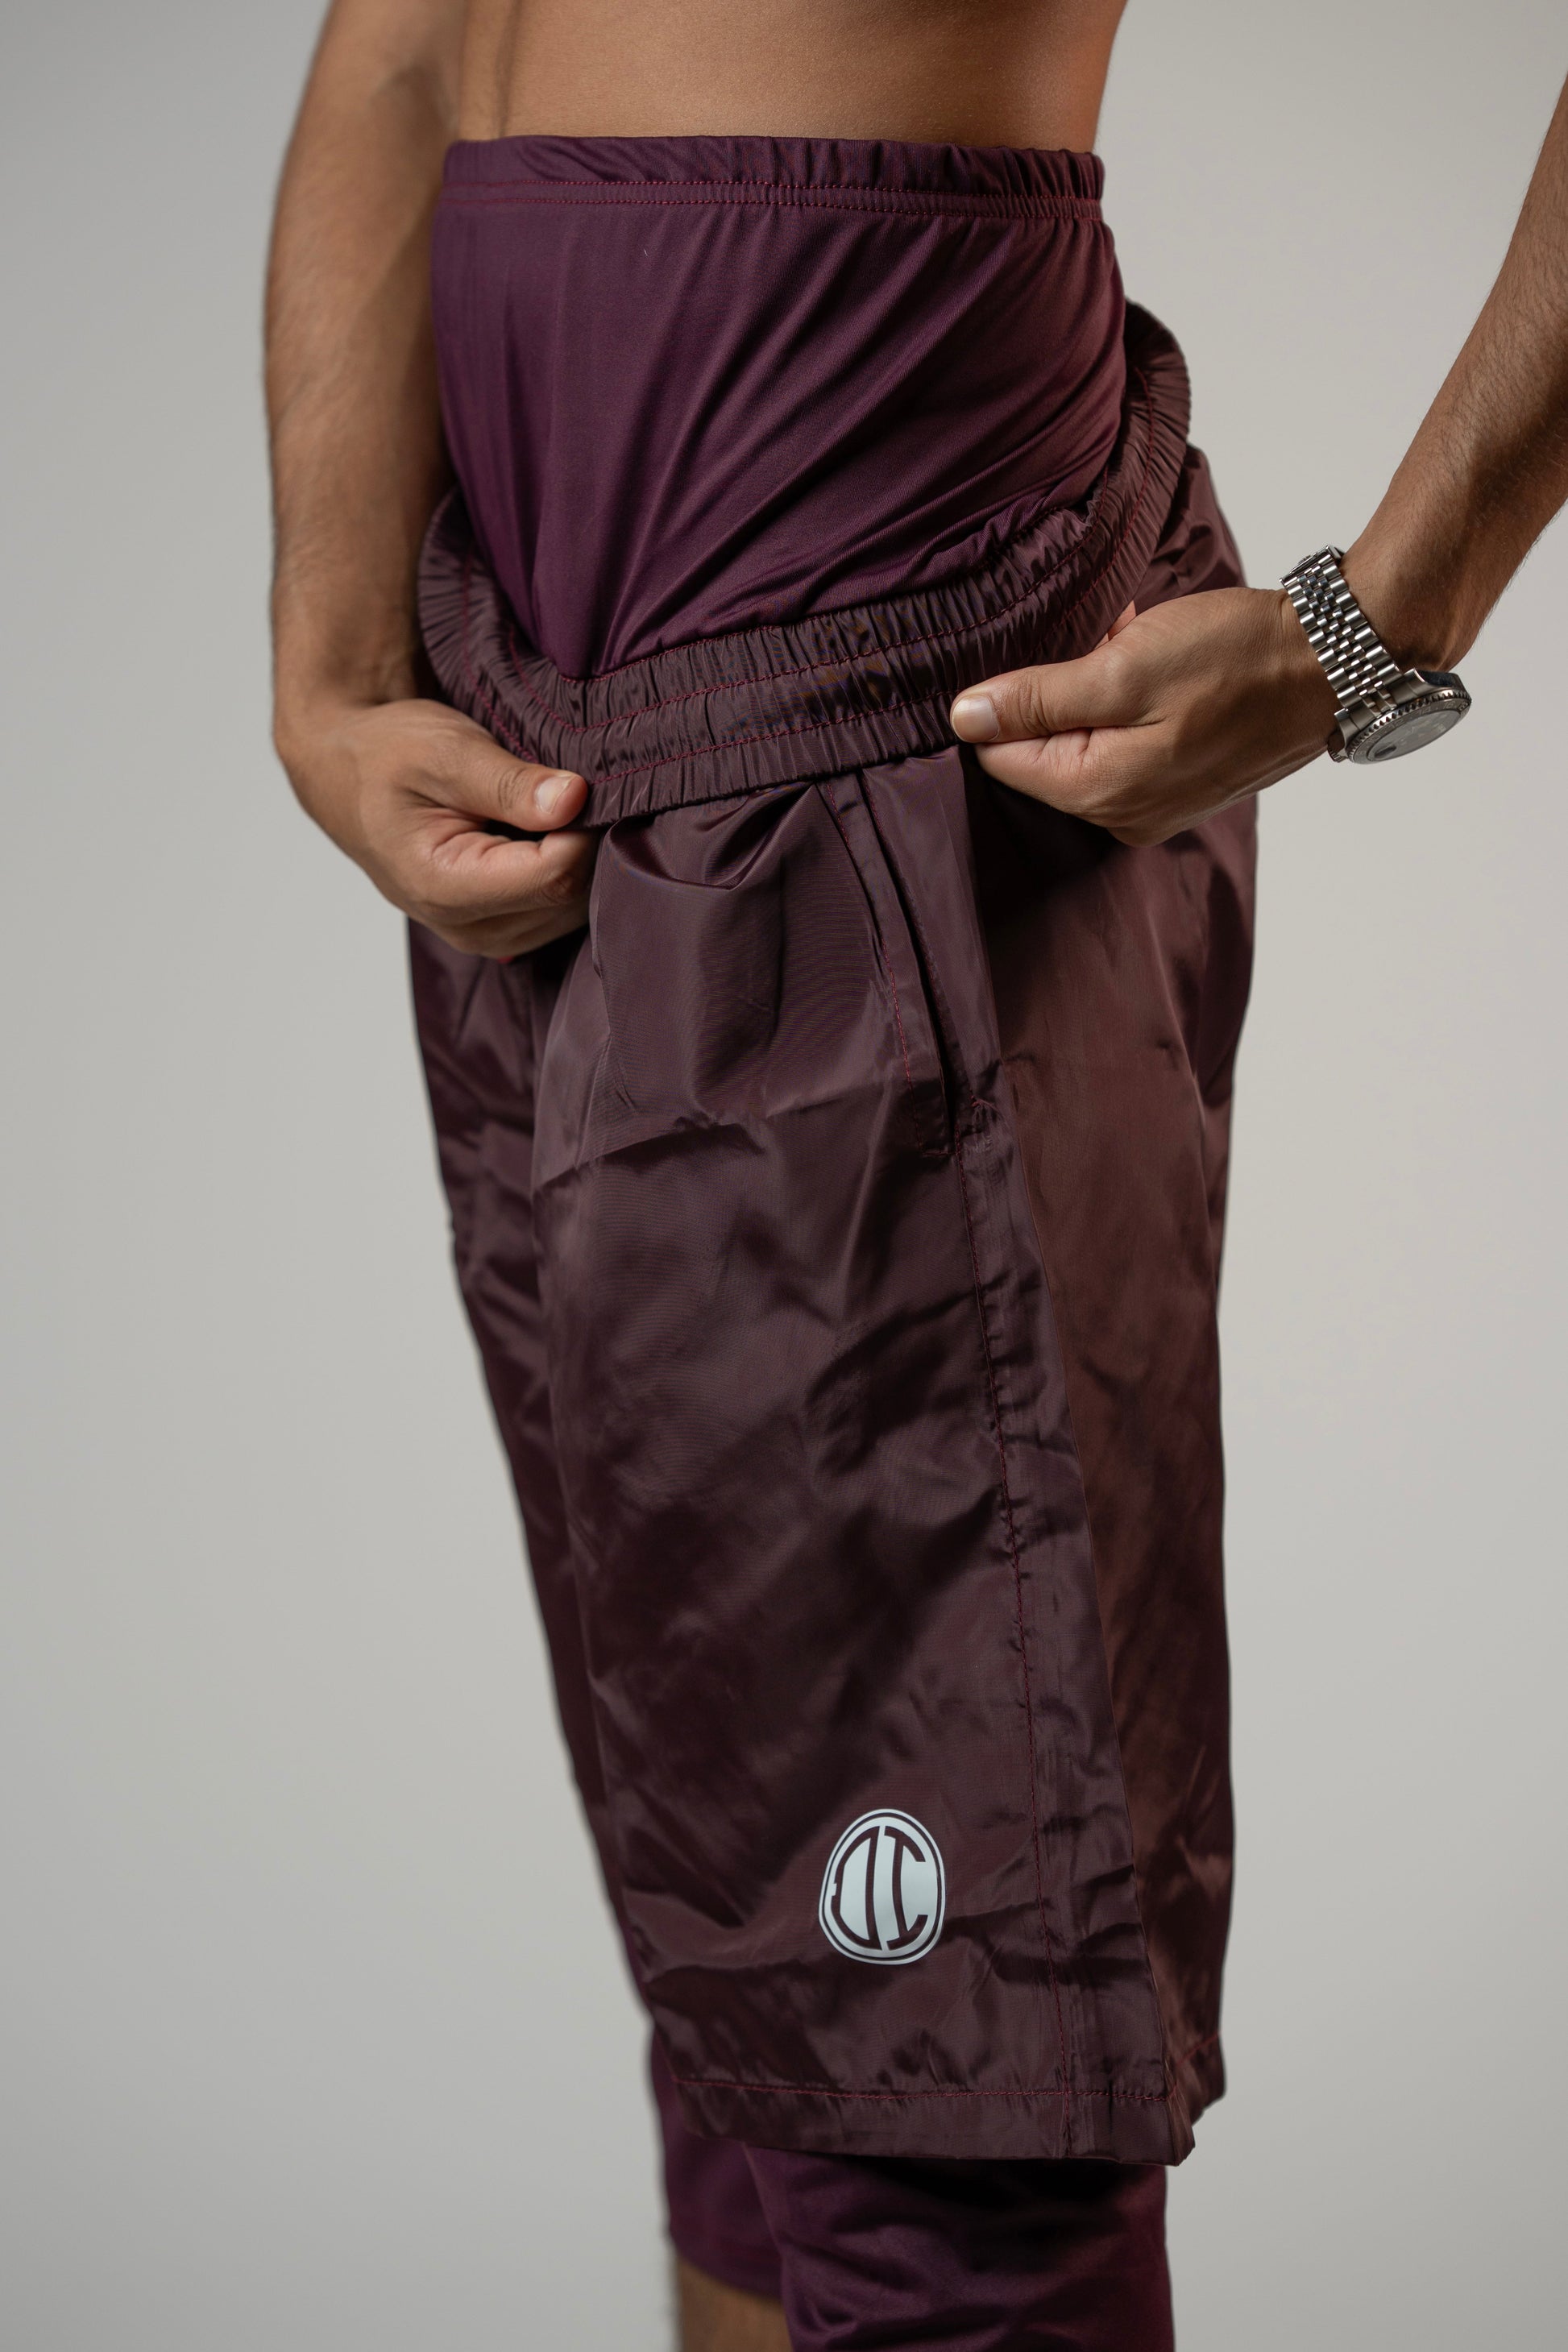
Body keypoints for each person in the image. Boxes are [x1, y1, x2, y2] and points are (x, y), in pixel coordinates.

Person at [265, 6, 1568, 2345]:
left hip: (873, 691)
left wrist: (1384, 617)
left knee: (940, 2101)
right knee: (757, 2034)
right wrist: (331, 649)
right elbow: (407, 36)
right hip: (544, 737)